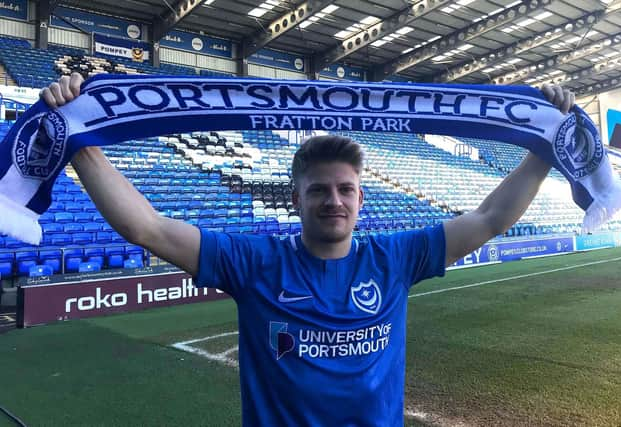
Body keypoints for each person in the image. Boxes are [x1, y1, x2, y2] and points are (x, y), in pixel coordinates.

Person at [41, 73, 575, 426]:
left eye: (345, 190)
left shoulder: (396, 257)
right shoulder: (255, 262)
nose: (333, 201)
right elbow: (148, 230)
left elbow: (490, 217)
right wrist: (78, 140)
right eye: (318, 189)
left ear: (361, 198)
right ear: (295, 197)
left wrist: (545, 146)